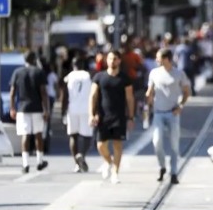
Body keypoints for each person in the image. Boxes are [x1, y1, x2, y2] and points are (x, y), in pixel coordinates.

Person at [145, 48, 191, 184]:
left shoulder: (179, 74)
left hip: (173, 112)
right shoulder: (154, 73)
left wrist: (181, 105)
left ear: (166, 59)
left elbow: (187, 91)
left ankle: (174, 172)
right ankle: (162, 166)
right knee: (157, 142)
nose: (156, 60)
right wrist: (148, 100)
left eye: (159, 57)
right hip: (158, 112)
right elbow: (150, 90)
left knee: (174, 144)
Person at [90, 51, 135, 184]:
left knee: (117, 144)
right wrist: (91, 114)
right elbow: (93, 96)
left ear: (119, 61)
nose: (112, 61)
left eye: (115, 59)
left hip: (119, 116)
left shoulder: (124, 78)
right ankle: (108, 161)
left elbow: (130, 98)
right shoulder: (99, 77)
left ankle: (115, 173)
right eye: (110, 58)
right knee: (100, 145)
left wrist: (130, 117)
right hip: (102, 116)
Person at [10, 52, 50, 174]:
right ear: (34, 59)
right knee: (38, 134)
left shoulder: (17, 72)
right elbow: (43, 92)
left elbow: (12, 93)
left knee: (25, 135)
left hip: (22, 108)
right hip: (37, 108)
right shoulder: (39, 72)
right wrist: (46, 109)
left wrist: (12, 108)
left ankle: (25, 164)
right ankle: (39, 161)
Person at [61, 57, 94, 173]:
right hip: (86, 108)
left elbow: (65, 95)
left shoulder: (69, 77)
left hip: (72, 109)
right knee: (87, 136)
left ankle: (76, 163)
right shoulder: (88, 75)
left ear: (73, 65)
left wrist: (63, 110)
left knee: (73, 135)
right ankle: (82, 155)